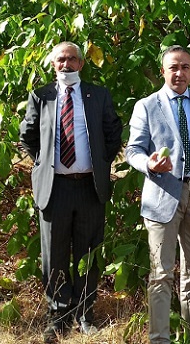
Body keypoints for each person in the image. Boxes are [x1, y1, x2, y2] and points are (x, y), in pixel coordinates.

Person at [18, 41, 123, 343]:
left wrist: (101, 163)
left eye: (72, 59)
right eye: (60, 60)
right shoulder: (41, 96)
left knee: (89, 254)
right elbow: (28, 135)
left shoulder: (98, 95)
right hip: (55, 188)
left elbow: (112, 132)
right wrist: (45, 164)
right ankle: (59, 315)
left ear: (81, 64)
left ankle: (85, 314)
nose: (66, 65)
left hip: (90, 187)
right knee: (55, 255)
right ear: (53, 65)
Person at [125, 45, 190, 343]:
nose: (179, 72)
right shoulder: (146, 106)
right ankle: (160, 339)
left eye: (185, 67)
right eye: (173, 67)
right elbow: (132, 150)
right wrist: (150, 164)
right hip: (162, 193)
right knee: (161, 274)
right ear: (163, 71)